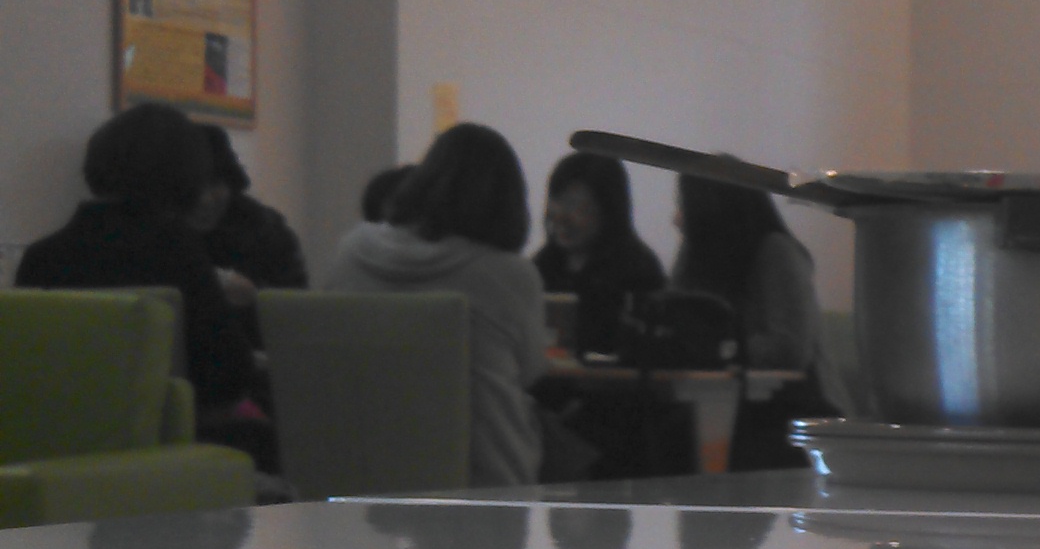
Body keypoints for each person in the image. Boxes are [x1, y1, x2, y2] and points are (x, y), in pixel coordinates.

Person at [14, 103, 273, 464]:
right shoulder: (175, 251)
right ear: (188, 176)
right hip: (165, 451)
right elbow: (227, 378)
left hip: (54, 451)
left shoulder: (40, 257)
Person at [318, 123, 552, 487]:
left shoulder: (350, 253)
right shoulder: (509, 275)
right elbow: (532, 371)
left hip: (357, 473)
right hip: (482, 483)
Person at [671, 171, 840, 467]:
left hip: (795, 414)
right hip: (737, 406)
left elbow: (790, 349)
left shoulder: (777, 253)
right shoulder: (698, 261)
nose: (676, 220)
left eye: (685, 207)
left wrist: (722, 348)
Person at [530, 150, 665, 355]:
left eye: (574, 204)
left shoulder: (638, 270)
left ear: (608, 209)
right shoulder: (543, 265)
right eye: (556, 201)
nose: (560, 216)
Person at [199, 123, 307, 297]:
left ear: (231, 183)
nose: (204, 199)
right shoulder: (166, 235)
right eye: (194, 188)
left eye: (214, 184)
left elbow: (293, 302)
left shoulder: (267, 231)